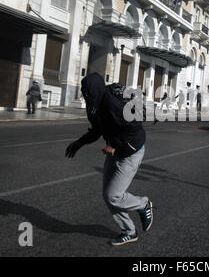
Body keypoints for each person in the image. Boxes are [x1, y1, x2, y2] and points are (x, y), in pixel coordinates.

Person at [65, 73, 152, 246]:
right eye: (84, 93)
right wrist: (79, 143)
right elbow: (97, 130)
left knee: (114, 195)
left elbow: (134, 126)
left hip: (131, 150)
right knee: (109, 195)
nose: (86, 96)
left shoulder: (113, 103)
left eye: (88, 93)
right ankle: (129, 231)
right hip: (116, 150)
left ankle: (143, 205)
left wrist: (115, 144)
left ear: (95, 90)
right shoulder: (93, 105)